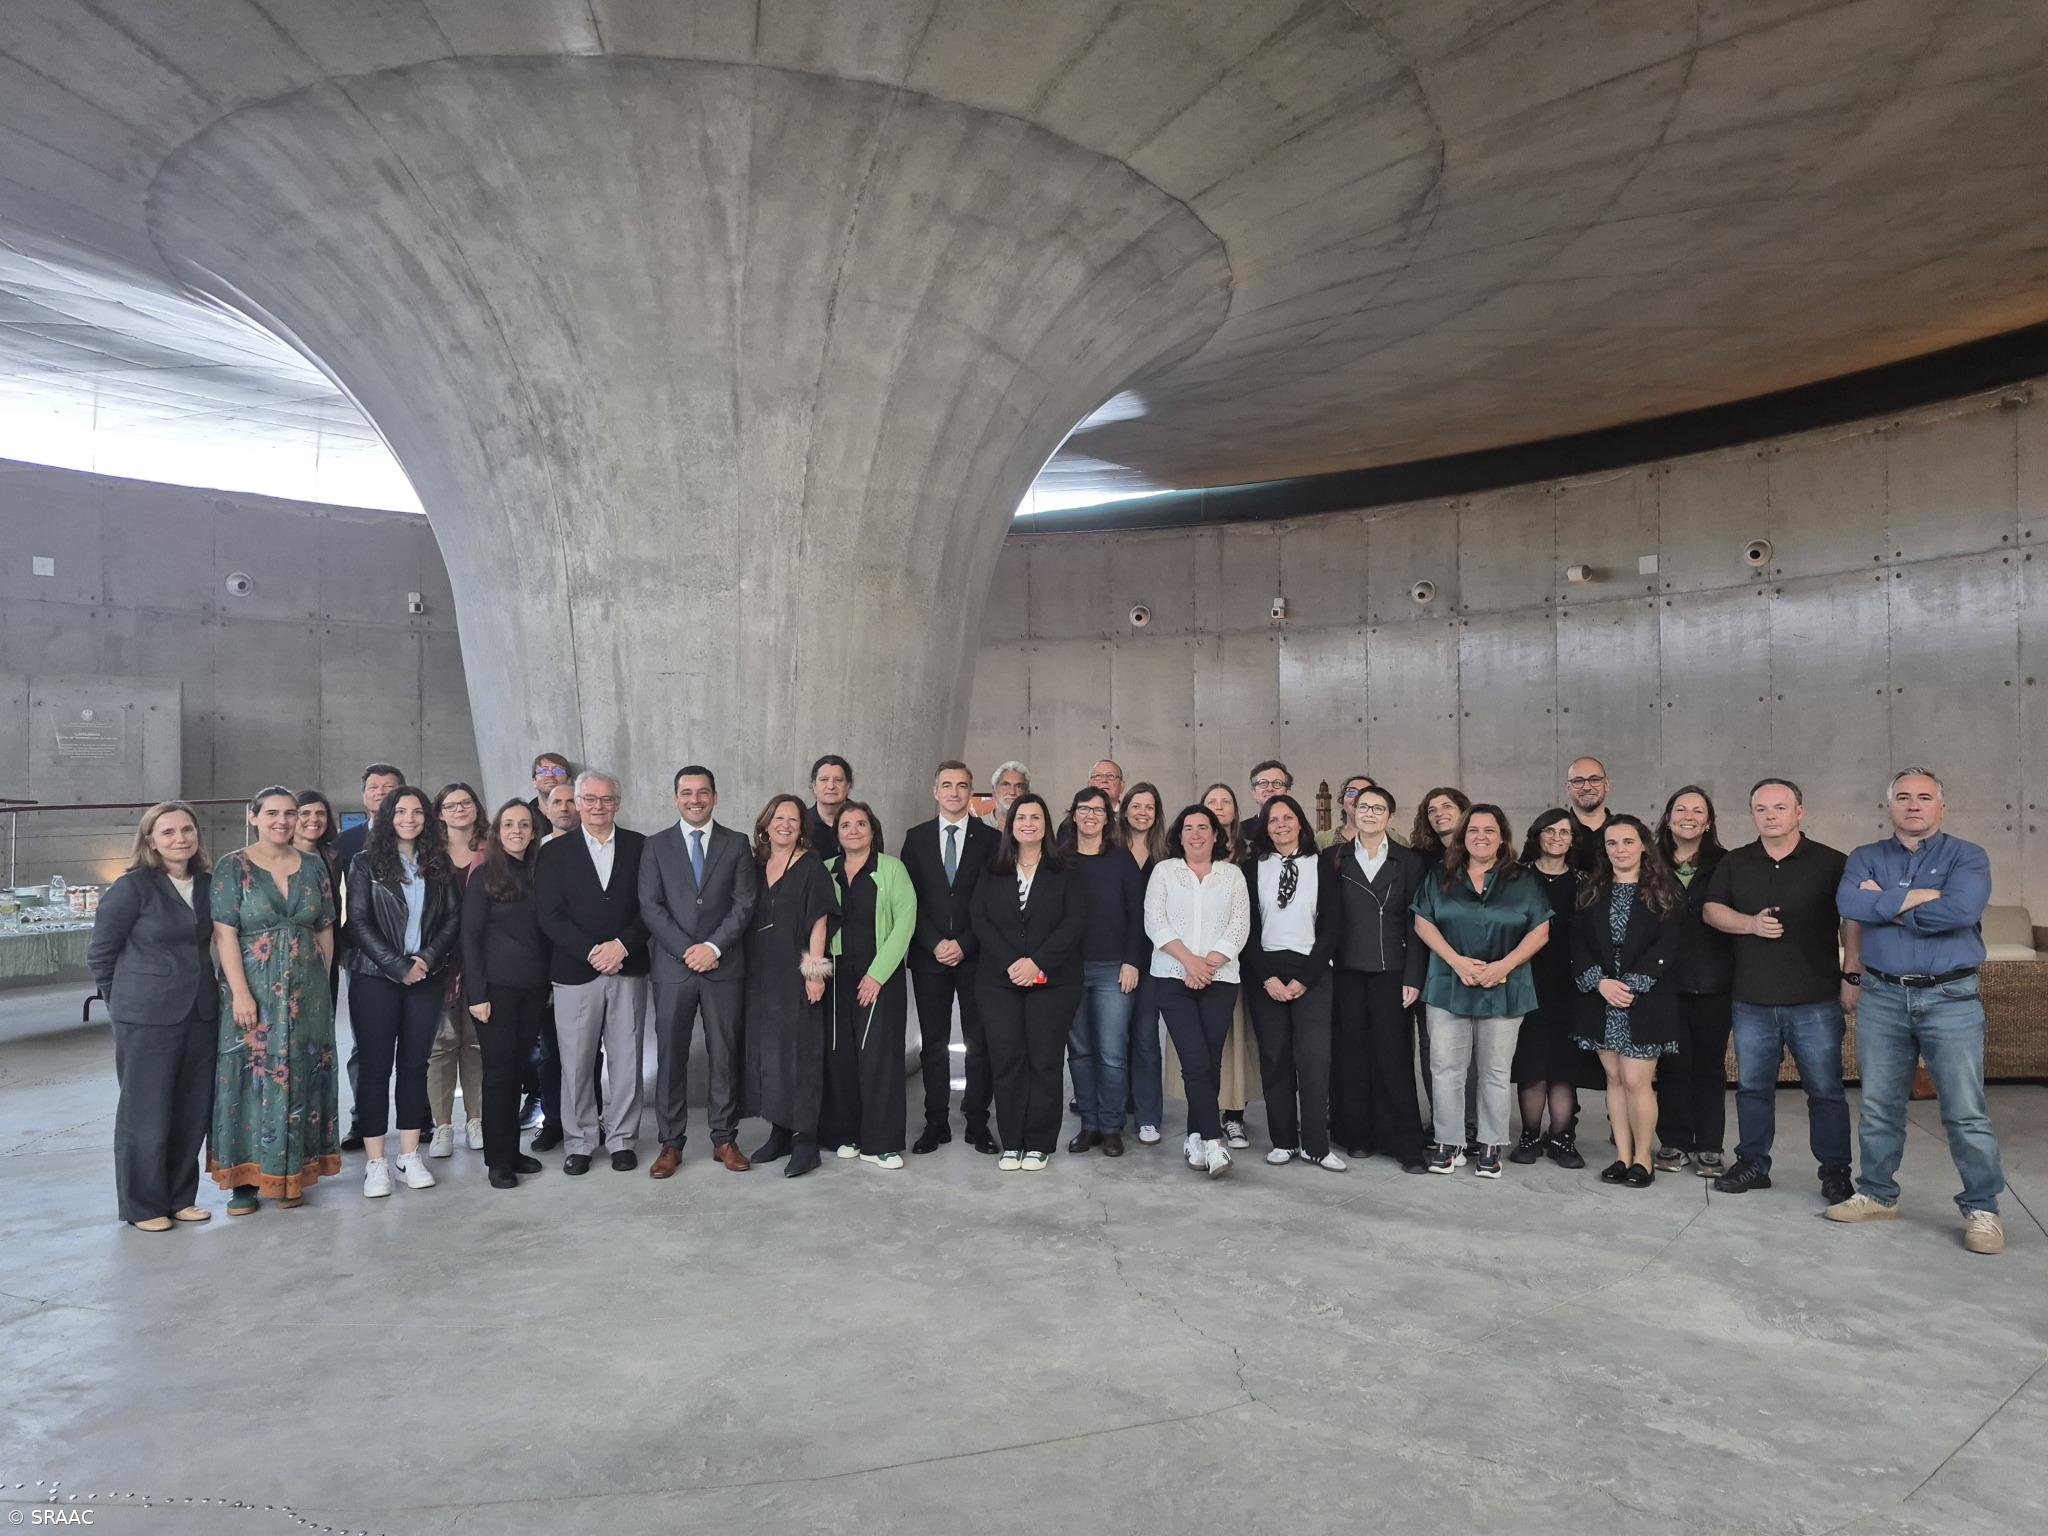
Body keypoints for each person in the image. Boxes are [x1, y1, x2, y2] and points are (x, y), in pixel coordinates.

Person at [1830, 768, 2004, 1254]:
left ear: (1940, 808)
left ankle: (1983, 1208)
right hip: (1883, 996)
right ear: (1889, 807)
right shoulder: (1866, 856)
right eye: (1903, 797)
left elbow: (1962, 912)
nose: (1913, 805)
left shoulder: (1968, 855)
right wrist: (1922, 899)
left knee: (1966, 1112)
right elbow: (1847, 903)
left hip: (1950, 997)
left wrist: (1884, 904)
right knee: (1880, 1106)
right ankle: (1877, 1194)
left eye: (1924, 797)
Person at [1702, 777, 1859, 1203]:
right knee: (1753, 1089)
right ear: (1752, 814)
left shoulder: (1831, 862)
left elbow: (1853, 921)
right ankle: (1753, 1163)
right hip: (1752, 998)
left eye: (1779, 808)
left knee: (1825, 1091)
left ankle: (1834, 1172)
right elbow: (1712, 910)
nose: (1770, 816)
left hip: (1816, 999)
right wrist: (1750, 924)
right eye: (1761, 809)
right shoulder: (1735, 862)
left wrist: (1852, 974)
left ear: (1799, 812)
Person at [208, 786, 340, 1213]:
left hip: (309, 992)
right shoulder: (233, 866)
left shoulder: (315, 865)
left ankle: (293, 1173)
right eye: (272, 813)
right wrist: (241, 993)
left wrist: (324, 987)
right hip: (254, 992)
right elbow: (225, 932)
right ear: (254, 817)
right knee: (248, 1077)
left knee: (302, 1075)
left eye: (290, 813)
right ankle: (244, 1181)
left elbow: (324, 928)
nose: (282, 821)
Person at [90, 801, 218, 1230]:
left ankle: (181, 1197)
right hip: (144, 1016)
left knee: (191, 1110)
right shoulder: (132, 887)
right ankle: (143, 1206)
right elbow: (102, 954)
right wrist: (122, 1004)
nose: (180, 838)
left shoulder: (207, 883)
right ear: (150, 840)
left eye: (187, 830)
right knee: (145, 1113)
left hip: (199, 1012)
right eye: (168, 832)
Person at [1410, 805, 1552, 1178]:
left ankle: (1490, 1144)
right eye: (1473, 830)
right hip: (1447, 983)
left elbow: (1540, 930)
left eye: (1490, 830)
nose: (1481, 837)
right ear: (1463, 836)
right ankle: (1449, 1143)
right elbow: (1423, 922)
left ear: (1502, 837)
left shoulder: (1524, 879)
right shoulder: (1440, 876)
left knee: (1494, 1070)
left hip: (1505, 985)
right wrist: (1456, 961)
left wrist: (1504, 966)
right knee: (1445, 1068)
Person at [343, 784, 461, 1198]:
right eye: (401, 812)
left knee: (414, 1065)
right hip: (375, 978)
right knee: (375, 1067)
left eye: (417, 813)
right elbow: (357, 922)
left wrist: (424, 960)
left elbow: (451, 919)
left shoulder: (437, 862)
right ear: (388, 816)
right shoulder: (363, 863)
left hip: (426, 977)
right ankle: (376, 1160)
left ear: (427, 819)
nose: (409, 819)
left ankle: (409, 1154)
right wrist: (396, 966)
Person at [641, 765, 759, 1176]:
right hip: (673, 968)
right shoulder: (655, 845)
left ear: (715, 796)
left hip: (723, 967)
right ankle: (670, 1144)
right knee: (670, 1057)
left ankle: (724, 1139)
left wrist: (711, 948)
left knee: (724, 1054)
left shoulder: (737, 843)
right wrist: (687, 949)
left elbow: (744, 903)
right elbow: (650, 906)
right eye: (687, 793)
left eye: (703, 792)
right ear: (676, 798)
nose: (695, 799)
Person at [535, 771, 650, 1175]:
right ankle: (581, 1141)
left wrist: (622, 946)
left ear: (617, 803)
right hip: (573, 971)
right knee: (576, 1062)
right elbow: (549, 914)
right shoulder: (552, 852)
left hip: (628, 967)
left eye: (606, 799)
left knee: (626, 1059)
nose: (597, 806)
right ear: (577, 803)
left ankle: (622, 1140)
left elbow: (650, 906)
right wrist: (590, 952)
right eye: (589, 799)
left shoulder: (641, 846)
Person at [973, 794, 1090, 1171]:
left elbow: (1073, 924)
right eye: (1021, 817)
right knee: (1008, 1059)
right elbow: (980, 919)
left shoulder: (1066, 869)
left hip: (1054, 981)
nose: (1027, 823)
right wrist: (1013, 963)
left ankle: (1039, 1143)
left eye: (1035, 816)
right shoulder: (993, 869)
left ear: (1045, 824)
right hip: (999, 981)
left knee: (1044, 1060)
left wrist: (1037, 963)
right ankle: (1013, 1143)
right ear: (1010, 825)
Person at [1571, 816, 1682, 1187]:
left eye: (1628, 842)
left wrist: (1630, 986)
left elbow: (1669, 945)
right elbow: (1577, 944)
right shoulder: (1591, 891)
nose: (1620, 850)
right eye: (1612, 843)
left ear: (1643, 846)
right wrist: (1601, 983)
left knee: (1637, 1080)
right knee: (1614, 1079)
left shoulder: (1664, 890)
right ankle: (1621, 1155)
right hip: (1601, 998)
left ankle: (1643, 1158)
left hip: (1645, 999)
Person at [1325, 784, 1430, 1173]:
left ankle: (1404, 1142)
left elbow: (1421, 923)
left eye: (1378, 808)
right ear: (1352, 811)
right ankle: (1358, 1136)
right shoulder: (1333, 858)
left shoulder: (1409, 861)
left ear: (1390, 815)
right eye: (1363, 806)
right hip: (1347, 972)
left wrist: (1414, 977)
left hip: (1393, 973)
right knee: (1351, 1056)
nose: (1369, 813)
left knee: (1393, 1056)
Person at [1145, 804, 1251, 1178]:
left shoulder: (1232, 875)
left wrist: (1207, 964)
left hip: (1220, 979)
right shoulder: (1164, 872)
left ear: (1216, 835)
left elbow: (1240, 925)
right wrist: (1189, 961)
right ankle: (1214, 1140)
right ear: (1179, 835)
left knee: (1210, 1059)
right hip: (1172, 977)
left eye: (1203, 827)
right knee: (1193, 1057)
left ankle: (1194, 1135)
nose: (1196, 834)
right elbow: (1155, 922)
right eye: (1188, 827)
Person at [902, 761, 1000, 1155]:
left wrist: (965, 942)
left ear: (971, 791)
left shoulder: (991, 840)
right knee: (934, 1043)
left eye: (962, 786)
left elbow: (992, 901)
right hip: (930, 959)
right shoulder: (916, 838)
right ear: (935, 791)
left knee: (980, 1041)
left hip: (976, 956)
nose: (955, 792)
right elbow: (911, 900)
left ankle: (977, 1120)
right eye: (947, 785)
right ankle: (936, 1122)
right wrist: (934, 942)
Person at [1244, 793, 1342, 1169]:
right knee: (1275, 1058)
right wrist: (1267, 976)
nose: (1281, 825)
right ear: (1265, 828)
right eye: (1272, 820)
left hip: (1312, 970)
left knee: (1315, 1058)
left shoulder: (1323, 865)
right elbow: (1247, 929)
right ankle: (1282, 1140)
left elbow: (1333, 926)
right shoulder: (1252, 868)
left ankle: (1317, 1145)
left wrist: (1306, 978)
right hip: (1265, 971)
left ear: (1301, 822)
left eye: (1288, 817)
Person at [741, 795, 838, 1178]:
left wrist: (815, 972)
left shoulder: (810, 866)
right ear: (766, 824)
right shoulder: (756, 865)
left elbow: (820, 920)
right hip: (760, 977)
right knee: (771, 1055)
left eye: (793, 819)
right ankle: (779, 1131)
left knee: (802, 1056)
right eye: (778, 818)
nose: (785, 824)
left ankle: (805, 1141)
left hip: (796, 974)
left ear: (802, 827)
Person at [822, 803, 917, 1167]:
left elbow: (904, 924)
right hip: (835, 970)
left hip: (881, 971)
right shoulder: (825, 871)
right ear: (837, 833)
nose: (854, 830)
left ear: (873, 830)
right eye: (846, 824)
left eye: (861, 823)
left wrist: (877, 975)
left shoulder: (891, 869)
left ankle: (882, 1143)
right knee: (840, 1055)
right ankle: (847, 1134)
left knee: (878, 1058)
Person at [460, 801, 549, 1188]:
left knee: (519, 1072)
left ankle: (513, 1151)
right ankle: (497, 1161)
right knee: (499, 1075)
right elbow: (470, 939)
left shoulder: (540, 873)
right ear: (498, 830)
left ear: (533, 831)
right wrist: (477, 994)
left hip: (533, 991)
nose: (517, 830)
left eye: (524, 824)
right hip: (494, 993)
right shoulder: (484, 877)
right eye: (509, 824)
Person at [1506, 809, 1597, 1168]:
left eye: (1565, 832)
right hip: (1526, 979)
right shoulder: (1516, 877)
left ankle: (1562, 1138)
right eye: (1550, 831)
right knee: (1531, 1064)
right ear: (1537, 835)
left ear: (1574, 839)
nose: (1557, 837)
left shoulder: (1585, 881)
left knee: (1564, 1065)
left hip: (1571, 984)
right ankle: (1529, 1135)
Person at [1653, 786, 1734, 1177]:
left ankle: (1709, 1146)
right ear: (1668, 818)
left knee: (1709, 1066)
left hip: (1713, 978)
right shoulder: (1649, 861)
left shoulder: (1727, 862)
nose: (1688, 815)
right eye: (1680, 808)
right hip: (1662, 980)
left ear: (1708, 822)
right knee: (1671, 1065)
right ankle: (1673, 1141)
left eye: (1697, 810)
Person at [1061, 786, 1144, 1156]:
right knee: (1079, 1053)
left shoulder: (1122, 860)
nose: (1091, 816)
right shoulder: (1060, 859)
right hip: (1069, 970)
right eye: (1084, 809)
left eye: (1098, 810)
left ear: (1107, 819)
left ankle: (1112, 1127)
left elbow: (1138, 915)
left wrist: (1132, 961)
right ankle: (1089, 1124)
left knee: (1112, 1052)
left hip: (1114, 969)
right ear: (1074, 814)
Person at [336, 762, 403, 1151]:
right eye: (374, 787)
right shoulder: (346, 843)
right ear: (364, 795)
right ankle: (362, 1120)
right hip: (362, 956)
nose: (381, 792)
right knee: (366, 1044)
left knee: (419, 1042)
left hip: (414, 955)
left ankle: (422, 1116)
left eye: (389, 786)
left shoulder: (421, 836)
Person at [426, 781, 487, 1157]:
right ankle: (442, 1126)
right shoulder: (428, 854)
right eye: (452, 805)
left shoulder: (492, 849)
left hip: (483, 959)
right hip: (440, 962)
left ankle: (477, 1119)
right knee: (440, 1046)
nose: (460, 809)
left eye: (466, 803)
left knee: (478, 1043)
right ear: (440, 813)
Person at [1198, 779, 1260, 1146]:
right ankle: (1204, 1113)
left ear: (1236, 811)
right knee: (1207, 1043)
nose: (1219, 806)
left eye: (1225, 801)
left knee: (1240, 1041)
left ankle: (1235, 1115)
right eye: (1211, 801)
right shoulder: (1188, 851)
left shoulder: (1250, 853)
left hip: (1242, 958)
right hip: (1198, 964)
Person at [1120, 783, 1170, 1145]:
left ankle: (1148, 1116)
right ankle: (1114, 1107)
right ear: (1124, 810)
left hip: (1155, 959)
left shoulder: (1167, 854)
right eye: (1135, 805)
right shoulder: (1109, 849)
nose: (1142, 812)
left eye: (1149, 807)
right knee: (1111, 1039)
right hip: (1115, 955)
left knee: (1145, 1037)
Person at [294, 790, 343, 1003]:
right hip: (287, 950)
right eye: (305, 813)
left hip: (325, 947)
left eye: (320, 813)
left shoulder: (333, 856)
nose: (314, 819)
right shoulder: (274, 855)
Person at [1564, 755, 1616, 871]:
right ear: (1568, 788)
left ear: (1606, 785)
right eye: (1578, 781)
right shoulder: (1553, 832)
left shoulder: (1627, 829)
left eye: (1595, 780)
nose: (1587, 787)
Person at [807, 754, 853, 861]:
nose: (831, 786)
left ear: (848, 786)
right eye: (824, 780)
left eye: (838, 780)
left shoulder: (865, 822)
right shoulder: (801, 823)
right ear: (814, 786)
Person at [1317, 775, 1374, 852]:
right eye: (1351, 792)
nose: (1358, 797)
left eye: (1365, 792)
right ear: (1342, 801)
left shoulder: (1391, 836)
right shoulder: (1322, 840)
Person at [526, 752, 573, 824]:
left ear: (568, 780)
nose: (550, 775)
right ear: (534, 781)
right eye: (543, 771)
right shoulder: (526, 815)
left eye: (558, 771)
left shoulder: (580, 812)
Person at [984, 761, 1030, 830]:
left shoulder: (1032, 829)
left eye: (1019, 787)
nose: (1012, 792)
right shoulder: (975, 826)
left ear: (1027, 794)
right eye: (1006, 785)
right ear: (994, 792)